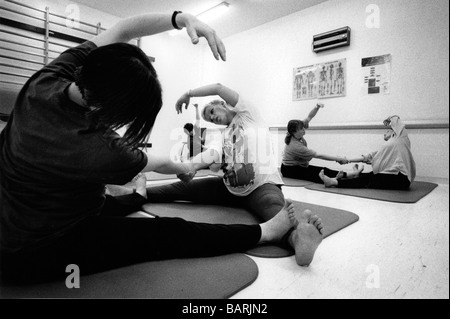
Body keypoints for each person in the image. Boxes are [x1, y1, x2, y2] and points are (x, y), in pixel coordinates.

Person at [0, 12, 322, 285]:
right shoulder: (94, 147)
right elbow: (154, 161)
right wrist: (186, 167)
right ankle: (265, 233)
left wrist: (180, 18)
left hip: (25, 208)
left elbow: (124, 29)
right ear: (108, 107)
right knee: (167, 233)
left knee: (121, 197)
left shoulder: (49, 79)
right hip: (33, 248)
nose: (213, 115)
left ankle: (139, 195)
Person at [147, 83, 324, 266]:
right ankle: (141, 193)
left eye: (212, 111)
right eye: (210, 119)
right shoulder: (223, 136)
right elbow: (209, 155)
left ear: (223, 104)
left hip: (261, 187)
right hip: (228, 188)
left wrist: (188, 93)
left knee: (275, 210)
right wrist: (188, 168)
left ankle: (298, 238)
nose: (213, 117)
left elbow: (217, 87)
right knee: (181, 189)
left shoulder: (248, 114)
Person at [319, 115, 416, 190]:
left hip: (401, 179)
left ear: (393, 131)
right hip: (393, 176)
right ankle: (348, 175)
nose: (385, 132)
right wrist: (347, 160)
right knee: (371, 175)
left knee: (369, 179)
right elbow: (365, 158)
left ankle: (334, 182)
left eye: (387, 131)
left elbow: (396, 120)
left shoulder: (401, 138)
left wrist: (389, 119)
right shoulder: (384, 150)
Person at [281, 103, 362, 184]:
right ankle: (353, 174)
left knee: (323, 170)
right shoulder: (295, 146)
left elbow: (309, 117)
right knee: (319, 174)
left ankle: (351, 174)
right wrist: (339, 159)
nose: (304, 129)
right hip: (290, 170)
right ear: (294, 132)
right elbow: (319, 155)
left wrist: (317, 107)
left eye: (303, 127)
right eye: (301, 129)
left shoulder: (294, 133)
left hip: (298, 166)